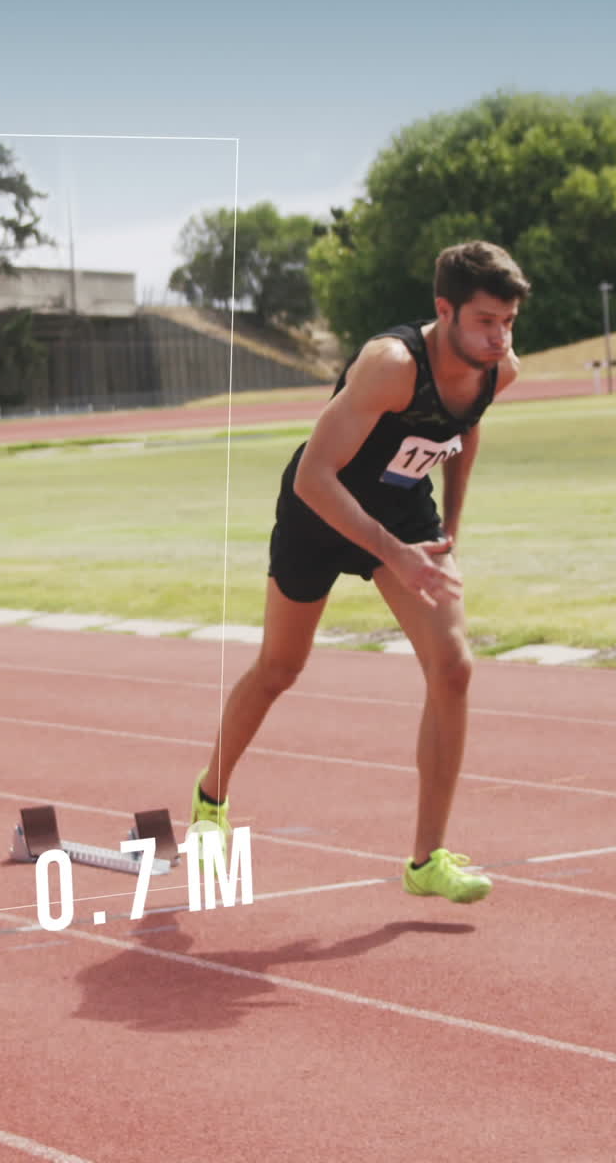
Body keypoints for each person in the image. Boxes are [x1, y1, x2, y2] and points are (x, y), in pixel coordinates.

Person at [189, 240, 530, 902]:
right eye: (486, 321)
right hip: (321, 511)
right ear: (445, 310)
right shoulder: (391, 365)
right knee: (280, 668)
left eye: (509, 323)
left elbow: (466, 427)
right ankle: (210, 799)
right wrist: (391, 553)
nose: (499, 337)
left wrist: (450, 526)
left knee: (455, 666)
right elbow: (316, 477)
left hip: (403, 511)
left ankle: (426, 861)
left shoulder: (498, 368)